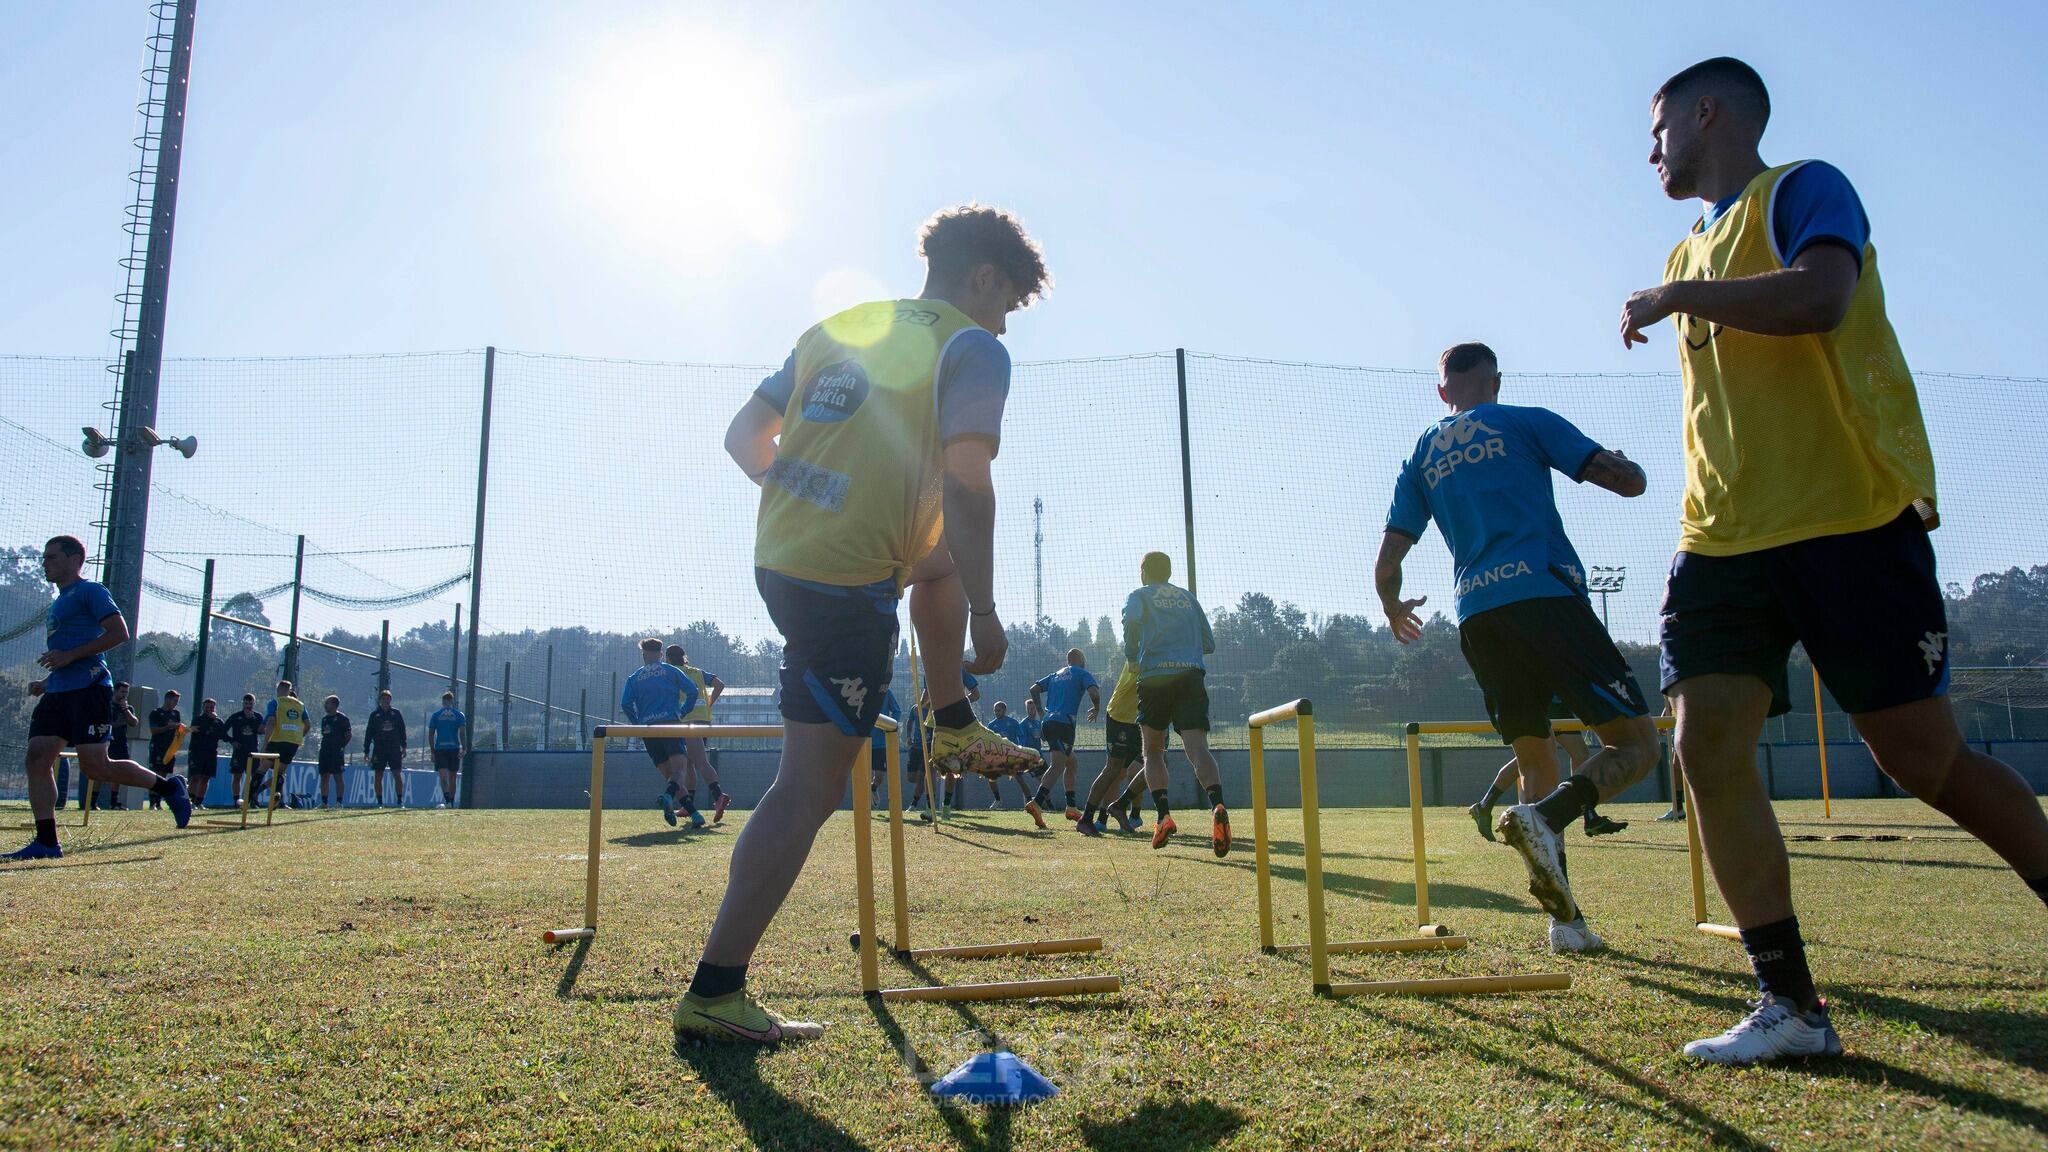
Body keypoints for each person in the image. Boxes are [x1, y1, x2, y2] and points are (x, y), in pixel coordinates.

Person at [1619, 57, 2048, 1063]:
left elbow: (1818, 296)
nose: (1650, 152)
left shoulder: (1800, 188)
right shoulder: (1690, 243)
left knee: (1923, 764)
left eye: (1657, 129)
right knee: (1704, 748)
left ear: (1705, 112)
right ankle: (1790, 1008)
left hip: (1847, 525)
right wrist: (1681, 286)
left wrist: (1681, 293)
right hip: (1719, 541)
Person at [675, 204, 1048, 1045]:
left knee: (938, 564)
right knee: (806, 790)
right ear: (985, 277)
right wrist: (988, 619)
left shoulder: (841, 326)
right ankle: (714, 991)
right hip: (845, 585)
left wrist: (810, 501)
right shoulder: (973, 347)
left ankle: (948, 720)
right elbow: (967, 488)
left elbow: (743, 438)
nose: (1006, 324)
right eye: (1010, 304)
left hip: (786, 556)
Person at [1376, 342, 1661, 955]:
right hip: (1547, 598)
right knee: (1637, 744)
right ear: (1496, 382)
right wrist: (1626, 465)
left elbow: (1390, 556)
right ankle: (1551, 819)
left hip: (1479, 617)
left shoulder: (1423, 453)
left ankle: (1565, 922)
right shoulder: (1527, 421)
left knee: (1537, 764)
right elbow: (1626, 484)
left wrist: (1393, 607)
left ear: (1443, 392)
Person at [5, 535, 189, 860]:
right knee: (37, 757)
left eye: (52, 557)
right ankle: (47, 842)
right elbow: (68, 657)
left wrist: (67, 657)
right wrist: (48, 681)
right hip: (59, 693)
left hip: (90, 691)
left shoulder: (91, 591)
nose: (45, 563)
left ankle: (168, 787)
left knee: (97, 767)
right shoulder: (60, 601)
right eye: (45, 558)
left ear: (75, 558)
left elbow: (119, 634)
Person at [1123, 552, 1229, 856]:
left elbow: (1130, 620)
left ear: (1143, 571)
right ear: (1168, 572)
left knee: (1153, 750)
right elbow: (1209, 642)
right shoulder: (1188, 598)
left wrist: (1133, 656)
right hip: (1191, 675)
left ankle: (1163, 816)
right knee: (1198, 750)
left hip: (1155, 676)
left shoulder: (1139, 595)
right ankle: (1217, 803)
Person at [1468, 703, 1627, 841]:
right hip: (1548, 700)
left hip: (1556, 700)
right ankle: (1587, 812)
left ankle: (1485, 805)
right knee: (1533, 757)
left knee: (1564, 754)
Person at [623, 639, 701, 827]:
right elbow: (693, 691)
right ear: (661, 654)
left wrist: (638, 723)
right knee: (679, 771)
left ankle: (695, 815)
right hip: (670, 724)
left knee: (670, 776)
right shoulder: (671, 670)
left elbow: (625, 704)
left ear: (644, 655)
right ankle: (667, 796)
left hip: (648, 730)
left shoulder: (635, 677)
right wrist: (682, 712)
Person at [1026, 649, 1101, 823]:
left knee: (1072, 763)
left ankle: (1071, 807)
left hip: (1048, 723)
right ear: (1082, 661)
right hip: (1064, 724)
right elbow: (1095, 693)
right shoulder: (1082, 673)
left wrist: (1040, 713)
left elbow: (1033, 689)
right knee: (1058, 765)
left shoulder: (1055, 675)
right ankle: (1036, 803)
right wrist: (1096, 707)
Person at [1076, 660, 1146, 835]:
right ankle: (1087, 819)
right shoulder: (1141, 648)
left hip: (1137, 719)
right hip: (1120, 716)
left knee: (1154, 761)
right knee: (1113, 769)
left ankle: (1122, 810)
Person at [666, 645, 730, 823]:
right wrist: (709, 702)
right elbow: (719, 684)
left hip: (687, 721)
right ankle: (688, 806)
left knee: (700, 761)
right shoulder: (697, 672)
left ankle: (718, 796)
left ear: (669, 659)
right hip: (703, 719)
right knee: (689, 764)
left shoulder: (671, 672)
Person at [982, 701, 1042, 819]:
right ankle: (998, 800)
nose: (996, 712)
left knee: (1019, 779)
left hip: (1011, 756)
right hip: (998, 756)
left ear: (1004, 710)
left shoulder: (1013, 723)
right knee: (990, 776)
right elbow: (988, 741)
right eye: (995, 710)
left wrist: (1019, 751)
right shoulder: (991, 725)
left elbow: (1021, 737)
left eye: (998, 710)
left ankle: (1030, 801)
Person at [260, 680, 310, 808]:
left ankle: (271, 799)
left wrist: (265, 743)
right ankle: (274, 799)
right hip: (292, 743)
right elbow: (263, 725)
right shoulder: (298, 706)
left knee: (272, 771)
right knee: (280, 773)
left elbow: (267, 724)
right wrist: (298, 736)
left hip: (277, 741)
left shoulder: (278, 704)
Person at [425, 691, 468, 809]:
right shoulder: (459, 715)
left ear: (443, 701)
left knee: (444, 777)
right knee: (452, 777)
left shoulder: (436, 715)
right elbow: (462, 732)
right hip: (454, 748)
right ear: (452, 701)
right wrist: (464, 748)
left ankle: (448, 800)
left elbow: (431, 734)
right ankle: (451, 802)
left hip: (441, 749)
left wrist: (432, 751)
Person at [364, 689, 407, 807]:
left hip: (394, 749)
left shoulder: (396, 713)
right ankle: (379, 802)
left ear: (390, 700)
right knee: (378, 775)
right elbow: (368, 733)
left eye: (387, 699)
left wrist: (404, 746)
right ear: (379, 701)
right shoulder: (374, 715)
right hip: (379, 749)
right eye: (383, 699)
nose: (385, 701)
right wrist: (366, 750)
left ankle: (399, 801)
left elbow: (402, 731)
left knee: (397, 774)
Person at [222, 694, 264, 809]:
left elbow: (262, 731)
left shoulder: (258, 717)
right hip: (239, 752)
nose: (248, 706)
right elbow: (223, 731)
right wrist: (232, 741)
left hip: (253, 751)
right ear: (243, 703)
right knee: (237, 776)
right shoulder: (236, 717)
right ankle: (236, 801)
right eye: (246, 703)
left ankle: (253, 799)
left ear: (254, 704)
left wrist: (252, 720)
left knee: (254, 776)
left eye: (250, 704)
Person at [145, 688, 183, 810]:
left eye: (177, 701)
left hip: (170, 749)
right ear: (167, 700)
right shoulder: (156, 713)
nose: (175, 704)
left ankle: (158, 802)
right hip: (158, 747)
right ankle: (152, 803)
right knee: (155, 773)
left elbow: (178, 730)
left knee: (163, 774)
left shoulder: (176, 714)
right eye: (174, 701)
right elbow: (154, 731)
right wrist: (168, 727)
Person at [103, 681, 138, 809]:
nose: (124, 695)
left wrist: (125, 709)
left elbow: (134, 722)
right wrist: (117, 724)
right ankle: (92, 802)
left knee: (119, 772)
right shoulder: (107, 705)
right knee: (101, 770)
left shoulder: (128, 708)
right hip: (107, 741)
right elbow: (106, 723)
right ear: (115, 691)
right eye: (122, 692)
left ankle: (114, 802)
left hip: (121, 742)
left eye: (126, 692)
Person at [186, 698, 225, 809]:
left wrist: (216, 721)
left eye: (211, 707)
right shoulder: (197, 719)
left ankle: (198, 802)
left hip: (211, 753)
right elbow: (201, 730)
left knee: (205, 778)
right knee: (195, 777)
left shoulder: (218, 721)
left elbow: (223, 735)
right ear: (203, 707)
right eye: (207, 707)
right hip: (197, 752)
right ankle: (189, 801)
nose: (209, 709)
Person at [868, 687, 903, 810]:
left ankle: (873, 788)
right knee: (864, 774)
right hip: (864, 740)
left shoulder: (886, 692)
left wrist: (889, 728)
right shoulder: (862, 689)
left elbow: (897, 711)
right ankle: (864, 805)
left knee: (879, 775)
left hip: (881, 743)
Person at [317, 694, 351, 810]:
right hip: (324, 751)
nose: (325, 705)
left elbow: (348, 735)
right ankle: (324, 802)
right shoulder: (325, 719)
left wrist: (341, 747)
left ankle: (339, 802)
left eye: (327, 703)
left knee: (338, 776)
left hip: (336, 752)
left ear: (334, 704)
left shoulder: (342, 718)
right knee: (324, 776)